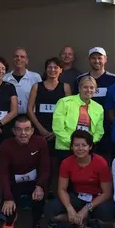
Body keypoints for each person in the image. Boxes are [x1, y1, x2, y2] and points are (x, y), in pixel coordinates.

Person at [44, 130, 115, 228]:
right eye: (76, 145)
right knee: (50, 209)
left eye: (84, 145)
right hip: (77, 196)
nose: (80, 148)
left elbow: (107, 193)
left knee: (107, 212)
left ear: (90, 146)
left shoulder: (100, 162)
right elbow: (62, 189)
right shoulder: (66, 163)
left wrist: (86, 209)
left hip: (96, 198)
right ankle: (81, 221)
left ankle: (100, 227)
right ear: (71, 147)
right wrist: (70, 209)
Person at [0, 116, 50, 228]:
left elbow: (45, 168)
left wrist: (40, 186)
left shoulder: (40, 142)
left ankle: (35, 225)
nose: (23, 133)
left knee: (39, 194)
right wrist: (8, 197)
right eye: (19, 130)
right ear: (14, 131)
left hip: (34, 181)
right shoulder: (6, 145)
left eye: (27, 129)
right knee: (7, 202)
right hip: (14, 181)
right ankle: (11, 218)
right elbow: (3, 172)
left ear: (32, 131)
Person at [27, 57, 71, 194]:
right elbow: (30, 109)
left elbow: (69, 111)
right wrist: (40, 129)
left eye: (56, 67)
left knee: (57, 165)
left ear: (60, 70)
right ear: (46, 70)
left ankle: (56, 193)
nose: (53, 70)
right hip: (40, 131)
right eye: (50, 67)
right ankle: (39, 192)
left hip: (58, 133)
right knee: (40, 163)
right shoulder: (37, 86)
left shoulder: (65, 87)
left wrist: (56, 131)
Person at [75, 47, 115, 160]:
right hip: (85, 124)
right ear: (89, 60)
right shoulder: (80, 79)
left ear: (105, 59)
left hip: (106, 126)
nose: (97, 60)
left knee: (105, 158)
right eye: (93, 58)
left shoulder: (114, 79)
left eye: (99, 57)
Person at [51, 75, 104, 159]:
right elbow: (58, 127)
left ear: (95, 90)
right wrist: (74, 144)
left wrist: (87, 145)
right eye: (85, 87)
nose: (88, 90)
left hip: (87, 150)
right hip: (65, 149)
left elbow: (99, 131)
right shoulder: (64, 102)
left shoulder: (99, 108)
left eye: (92, 88)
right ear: (79, 88)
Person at [3, 47, 42, 114]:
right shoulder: (5, 78)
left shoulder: (35, 77)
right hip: (9, 117)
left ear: (27, 60)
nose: (19, 58)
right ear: (13, 59)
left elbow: (40, 98)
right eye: (16, 56)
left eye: (22, 57)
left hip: (29, 117)